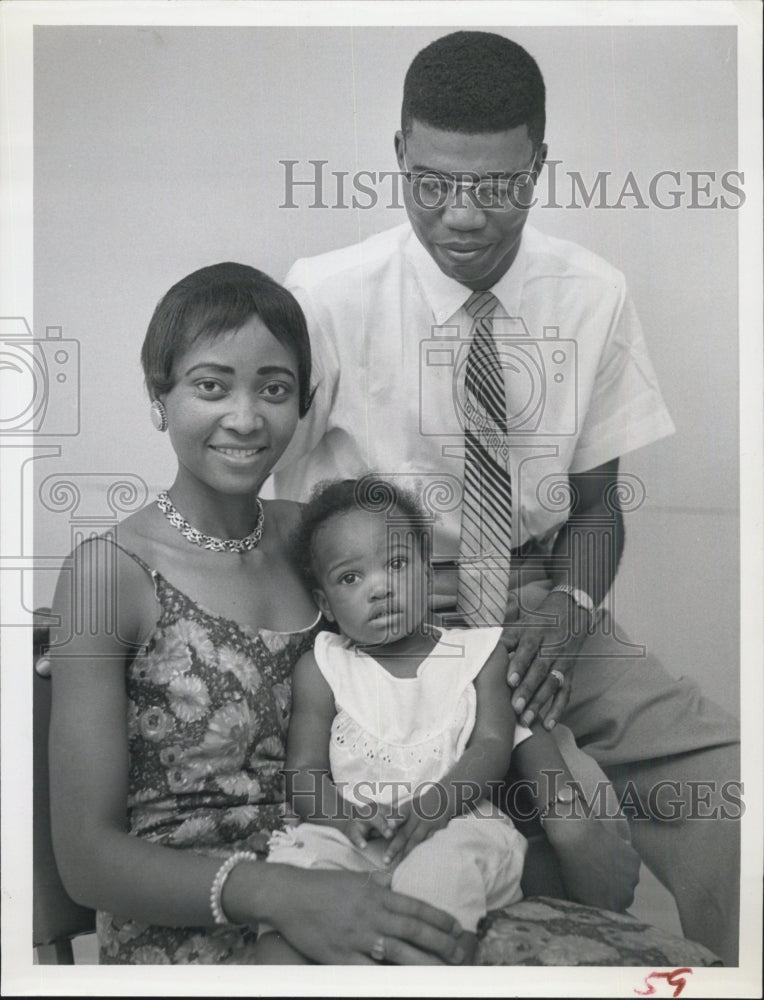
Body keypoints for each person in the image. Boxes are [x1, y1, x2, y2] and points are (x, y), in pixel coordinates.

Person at [271, 32, 741, 964]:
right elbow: (266, 502)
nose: (464, 214)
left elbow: (599, 504)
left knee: (728, 790)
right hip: (385, 613)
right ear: (400, 155)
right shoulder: (325, 295)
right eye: (435, 181)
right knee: (484, 830)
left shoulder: (593, 295)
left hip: (536, 608)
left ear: (539, 167)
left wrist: (569, 611)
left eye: (497, 184)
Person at [47, 262, 467, 965]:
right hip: (197, 927)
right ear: (160, 396)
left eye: (273, 389)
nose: (245, 418)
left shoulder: (320, 540)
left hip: (349, 872)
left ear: (302, 404)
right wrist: (280, 895)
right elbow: (86, 861)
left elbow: (457, 643)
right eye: (211, 387)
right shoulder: (105, 575)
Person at [255, 477, 638, 965]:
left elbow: (493, 746)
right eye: (351, 578)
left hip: (457, 826)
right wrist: (344, 819)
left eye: (396, 564)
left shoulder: (476, 654)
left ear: (427, 569)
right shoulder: (324, 667)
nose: (379, 588)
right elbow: (304, 773)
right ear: (326, 602)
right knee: (294, 874)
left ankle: (429, 964)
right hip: (357, 833)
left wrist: (439, 803)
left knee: (438, 877)